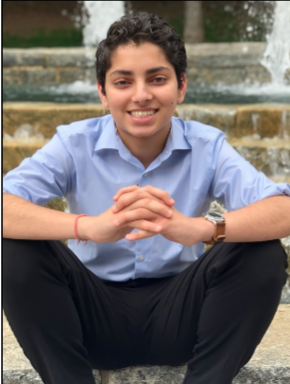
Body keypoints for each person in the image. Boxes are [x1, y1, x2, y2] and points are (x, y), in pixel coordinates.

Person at [3, 12, 290, 384]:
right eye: (123, 81)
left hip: (182, 317)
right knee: (13, 250)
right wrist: (89, 227)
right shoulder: (73, 144)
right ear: (103, 94)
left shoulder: (207, 146)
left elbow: (282, 209)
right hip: (91, 318)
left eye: (157, 79)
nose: (141, 95)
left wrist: (198, 229)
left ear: (181, 87)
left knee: (262, 252)